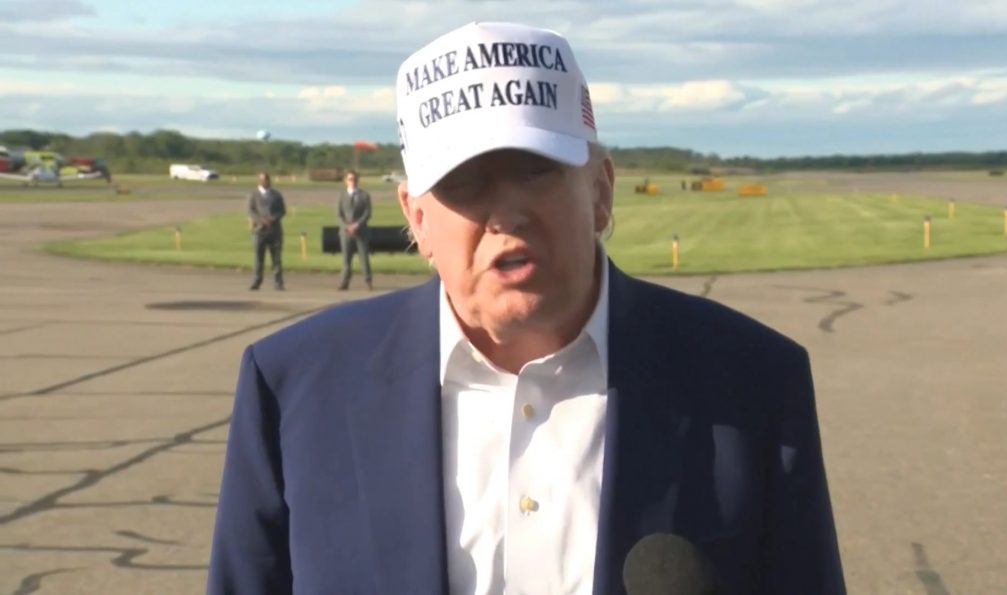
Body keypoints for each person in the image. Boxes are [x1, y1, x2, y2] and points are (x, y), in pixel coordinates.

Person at [208, 22, 845, 595]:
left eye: (535, 170)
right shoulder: (295, 387)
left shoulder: (753, 383)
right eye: (463, 183)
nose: (506, 214)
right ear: (416, 218)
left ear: (600, 189)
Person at [246, 171, 286, 290]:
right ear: (258, 181)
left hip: (274, 230)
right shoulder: (253, 195)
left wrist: (272, 220)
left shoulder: (276, 194)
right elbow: (251, 210)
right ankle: (257, 281)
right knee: (258, 258)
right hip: (259, 231)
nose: (264, 182)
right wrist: (261, 221)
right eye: (262, 180)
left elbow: (282, 210)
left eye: (266, 180)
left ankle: (278, 283)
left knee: (276, 259)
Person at [337, 169, 373, 290]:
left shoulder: (364, 195)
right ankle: (344, 282)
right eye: (350, 179)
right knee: (346, 259)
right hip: (345, 232)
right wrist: (346, 226)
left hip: (361, 231)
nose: (352, 181)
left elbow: (367, 213)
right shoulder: (342, 196)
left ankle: (368, 280)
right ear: (345, 181)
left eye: (354, 179)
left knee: (364, 257)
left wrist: (357, 225)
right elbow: (339, 214)